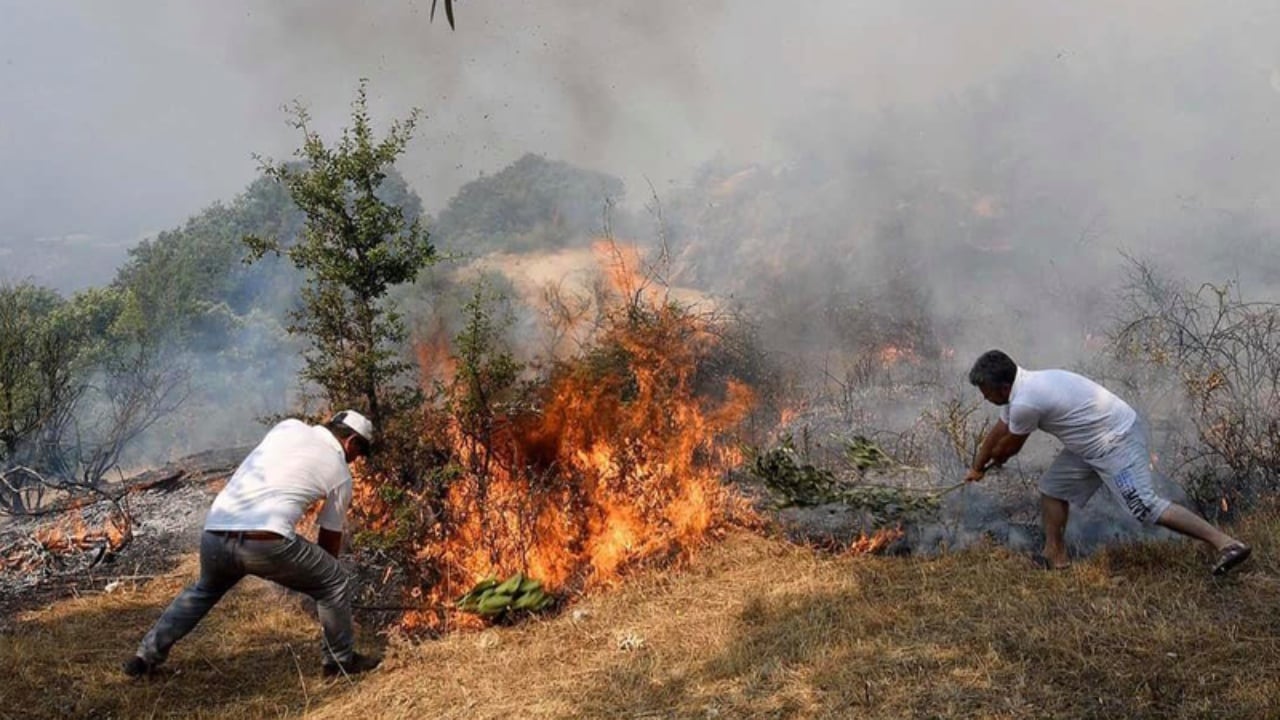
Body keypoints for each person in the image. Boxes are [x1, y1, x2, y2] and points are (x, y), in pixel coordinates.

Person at [123, 410, 381, 678]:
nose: (355, 461)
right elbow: (329, 541)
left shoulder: (288, 427)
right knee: (335, 580)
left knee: (203, 591)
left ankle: (145, 657)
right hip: (264, 541)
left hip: (216, 531)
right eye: (359, 454)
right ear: (350, 442)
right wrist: (320, 582)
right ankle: (339, 663)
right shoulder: (340, 472)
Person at [965, 349, 1251, 575]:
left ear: (1003, 388)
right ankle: (1055, 557)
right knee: (1052, 489)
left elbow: (1007, 450)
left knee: (1144, 506)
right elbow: (996, 434)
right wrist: (976, 466)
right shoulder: (1019, 390)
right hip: (1089, 445)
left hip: (1116, 441)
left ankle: (1227, 544)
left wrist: (989, 465)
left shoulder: (1027, 401)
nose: (984, 396)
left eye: (985, 391)